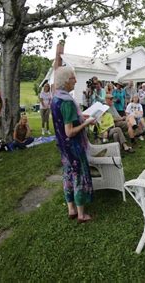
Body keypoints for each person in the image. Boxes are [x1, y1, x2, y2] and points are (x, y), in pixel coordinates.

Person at [51, 66, 94, 223]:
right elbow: (69, 131)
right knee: (78, 176)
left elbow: (65, 120)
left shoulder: (56, 98)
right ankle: (81, 214)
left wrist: (81, 116)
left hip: (63, 146)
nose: (75, 81)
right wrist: (86, 123)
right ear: (65, 81)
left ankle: (71, 209)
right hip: (73, 146)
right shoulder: (67, 101)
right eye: (73, 78)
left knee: (68, 175)